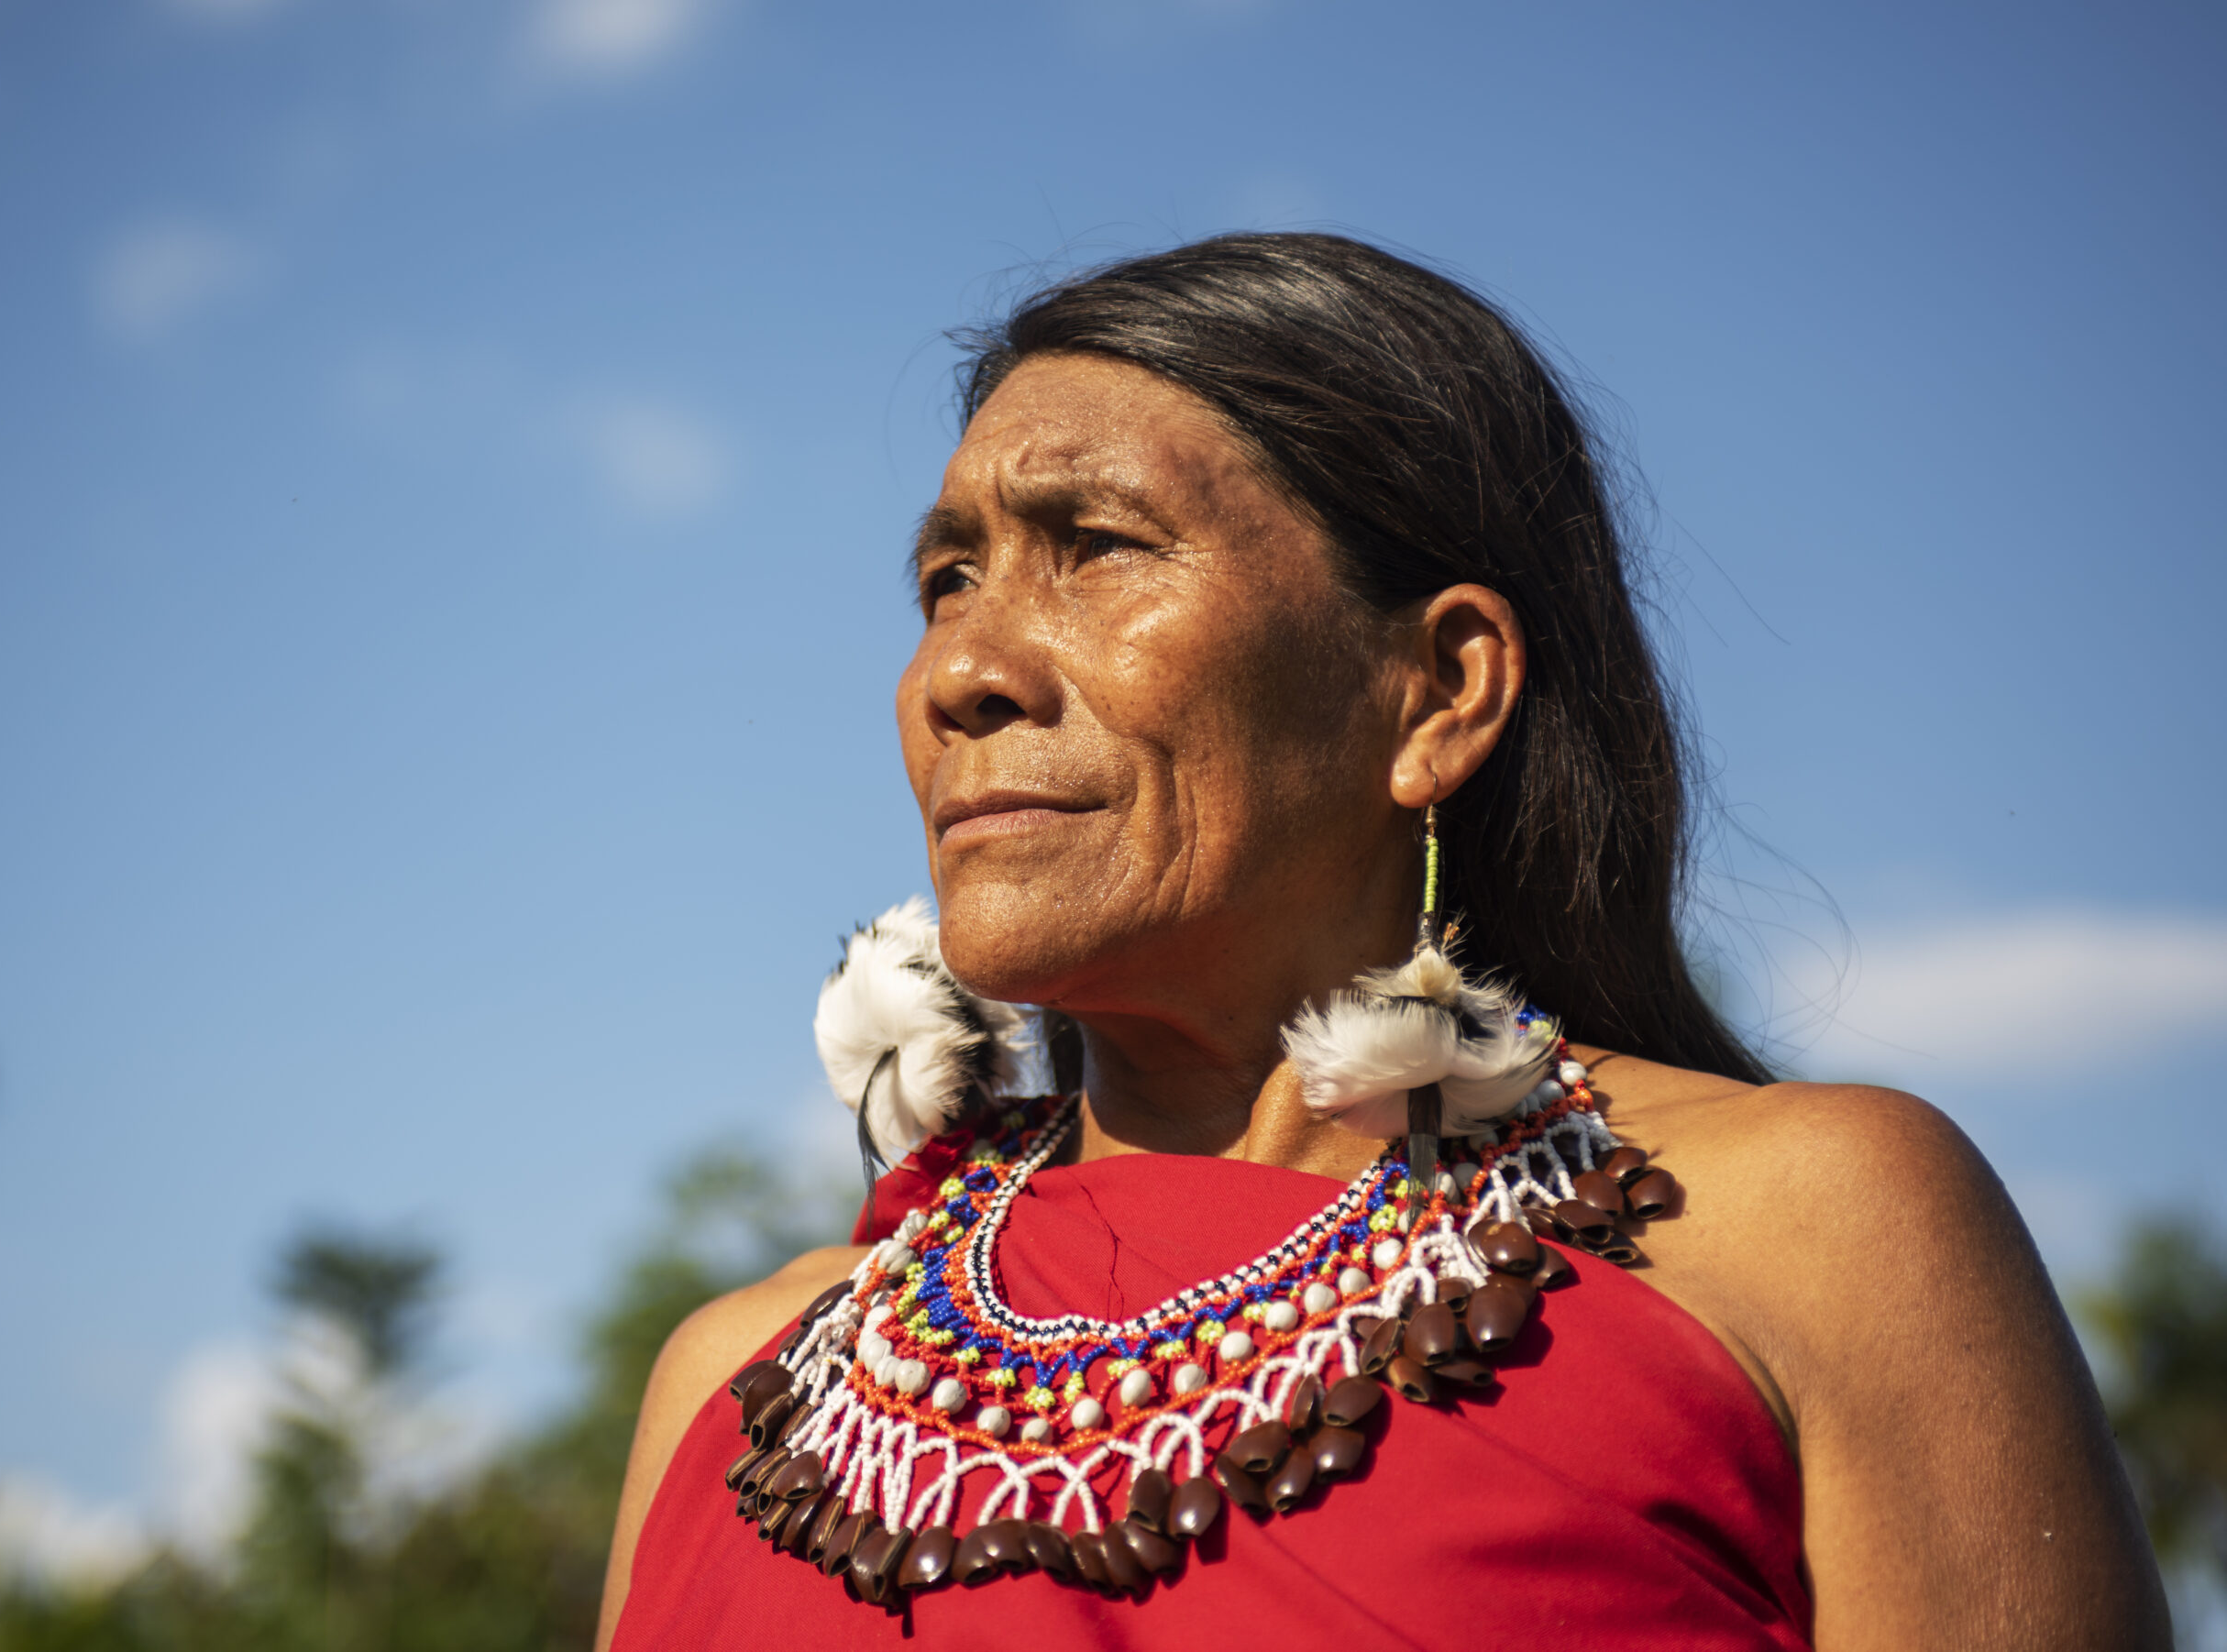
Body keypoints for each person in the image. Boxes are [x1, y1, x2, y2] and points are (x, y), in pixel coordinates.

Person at [597, 233, 2168, 1648]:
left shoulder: (1813, 1233)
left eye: (1097, 546)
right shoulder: (732, 1383)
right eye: (948, 578)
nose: (963, 670)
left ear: (1438, 692)